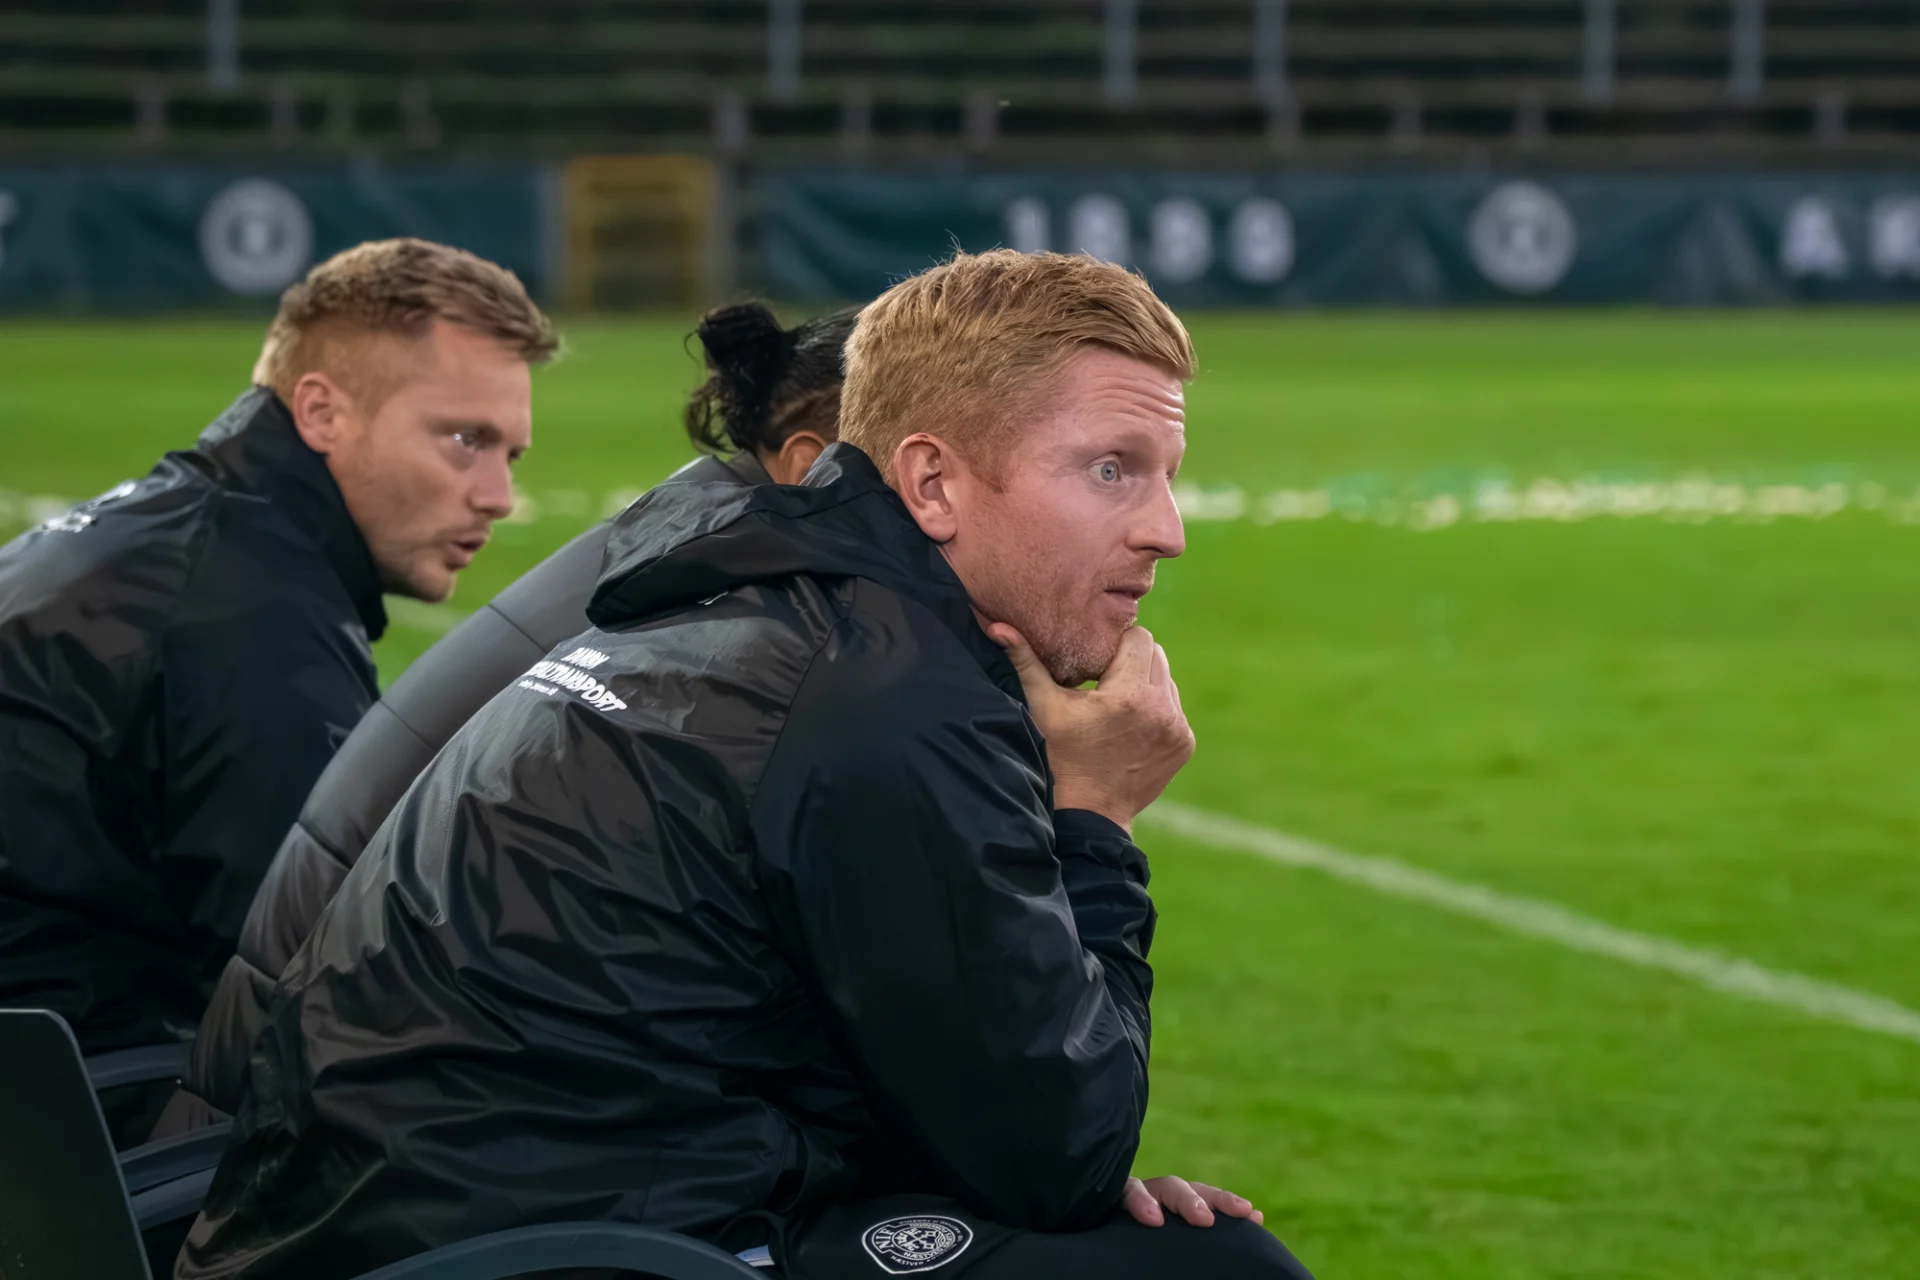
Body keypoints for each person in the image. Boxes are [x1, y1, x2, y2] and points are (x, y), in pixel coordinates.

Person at [177, 251, 1312, 1280]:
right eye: (1113, 469)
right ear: (931, 482)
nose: (1167, 527)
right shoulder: (884, 689)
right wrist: (1099, 820)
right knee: (1223, 1273)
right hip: (543, 1246)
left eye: (1166, 472)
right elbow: (1062, 1151)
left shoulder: (738, 590)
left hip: (372, 1220)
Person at [161, 302, 858, 1136]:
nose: (497, 498)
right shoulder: (746, 624)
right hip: (331, 1144)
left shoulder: (677, 557)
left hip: (293, 1108)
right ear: (813, 462)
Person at [0, 237, 554, 1146]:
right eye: (464, 440)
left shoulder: (164, 534)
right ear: (323, 411)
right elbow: (338, 975)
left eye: (510, 454)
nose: (497, 496)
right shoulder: (248, 615)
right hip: (77, 1135)